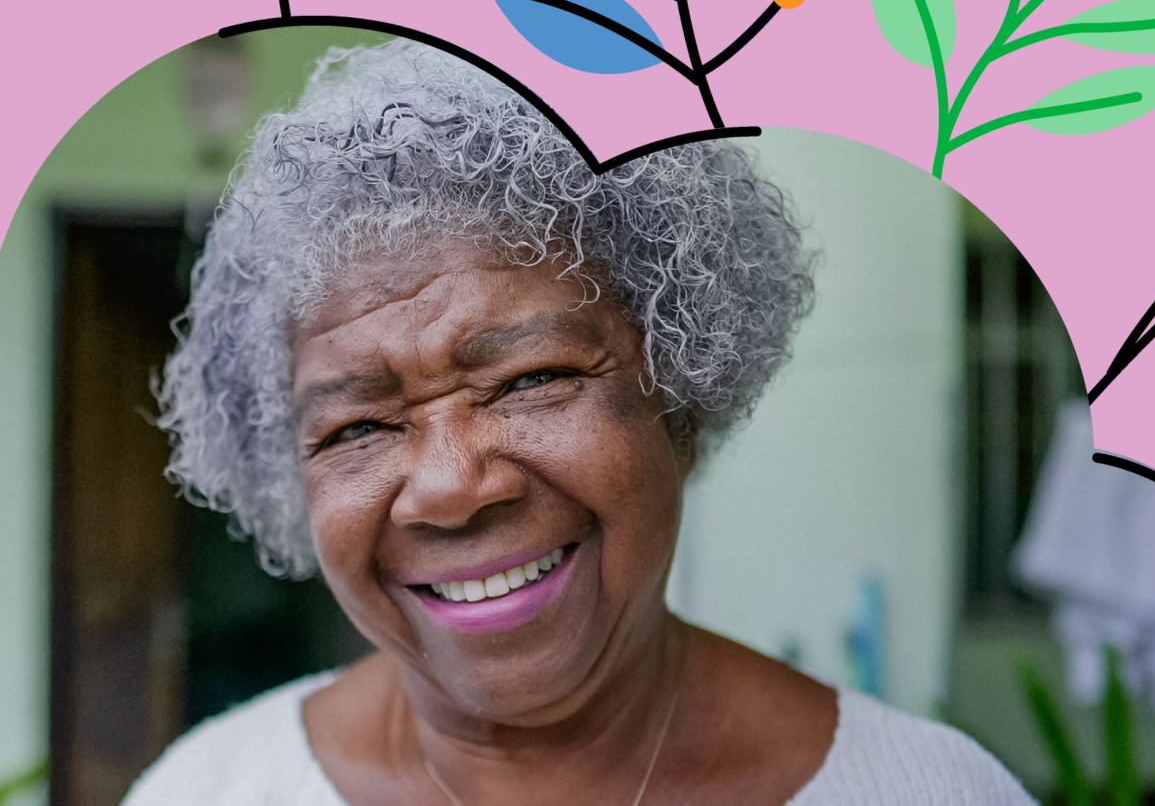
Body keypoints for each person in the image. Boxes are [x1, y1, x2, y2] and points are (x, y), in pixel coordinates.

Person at [127, 40, 1034, 806]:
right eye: (357, 427)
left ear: (679, 397)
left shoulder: (927, 789)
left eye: (532, 378)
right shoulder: (210, 789)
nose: (448, 487)